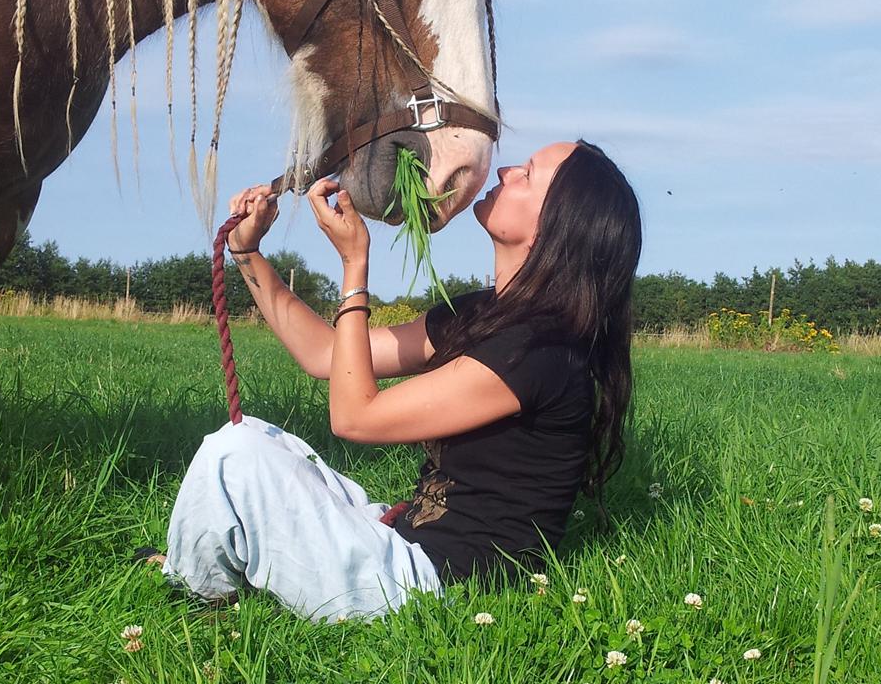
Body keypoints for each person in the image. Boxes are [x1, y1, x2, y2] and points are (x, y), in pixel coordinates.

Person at [157, 140, 642, 620]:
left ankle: (199, 599)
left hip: (436, 589)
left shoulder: (538, 350)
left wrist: (355, 266)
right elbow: (327, 355)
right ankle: (216, 574)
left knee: (233, 457)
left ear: (555, 228)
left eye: (528, 175)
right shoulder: (480, 315)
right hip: (404, 537)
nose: (504, 171)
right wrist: (248, 254)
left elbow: (355, 417)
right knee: (257, 438)